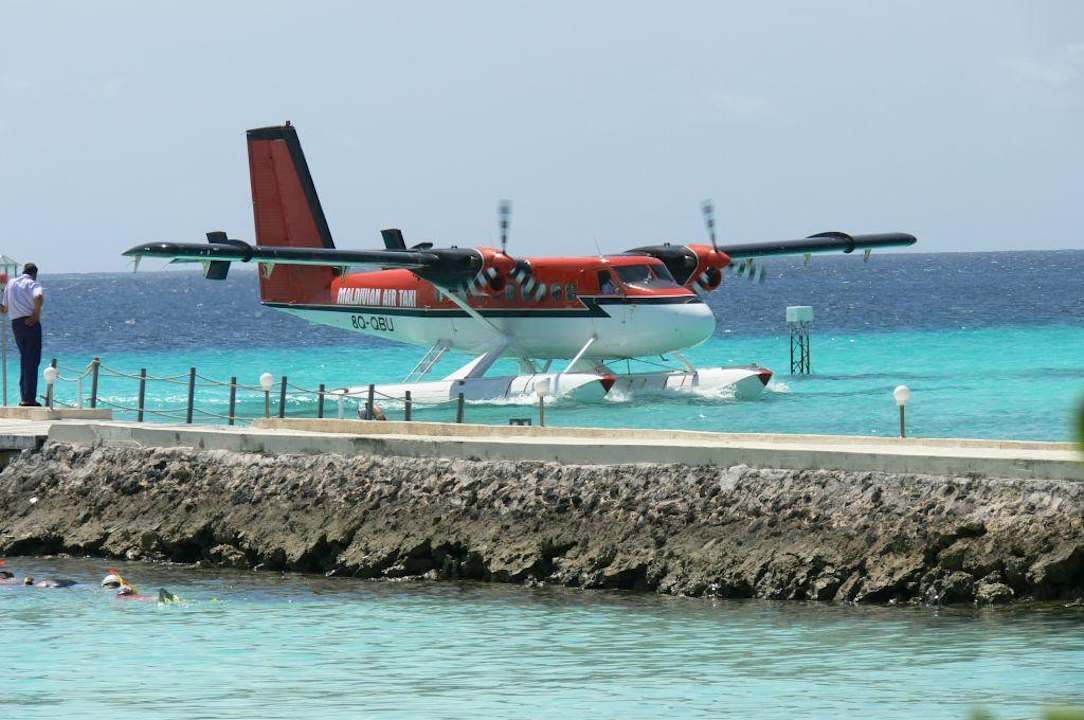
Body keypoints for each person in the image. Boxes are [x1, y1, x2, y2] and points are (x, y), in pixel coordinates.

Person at [1, 263, 45, 406]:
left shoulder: (11, 283)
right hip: (30, 324)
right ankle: (29, 399)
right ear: (34, 273)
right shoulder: (33, 283)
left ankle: (25, 396)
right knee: (32, 360)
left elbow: (5, 309)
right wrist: (36, 316)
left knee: (25, 359)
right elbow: (38, 297)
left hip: (16, 325)